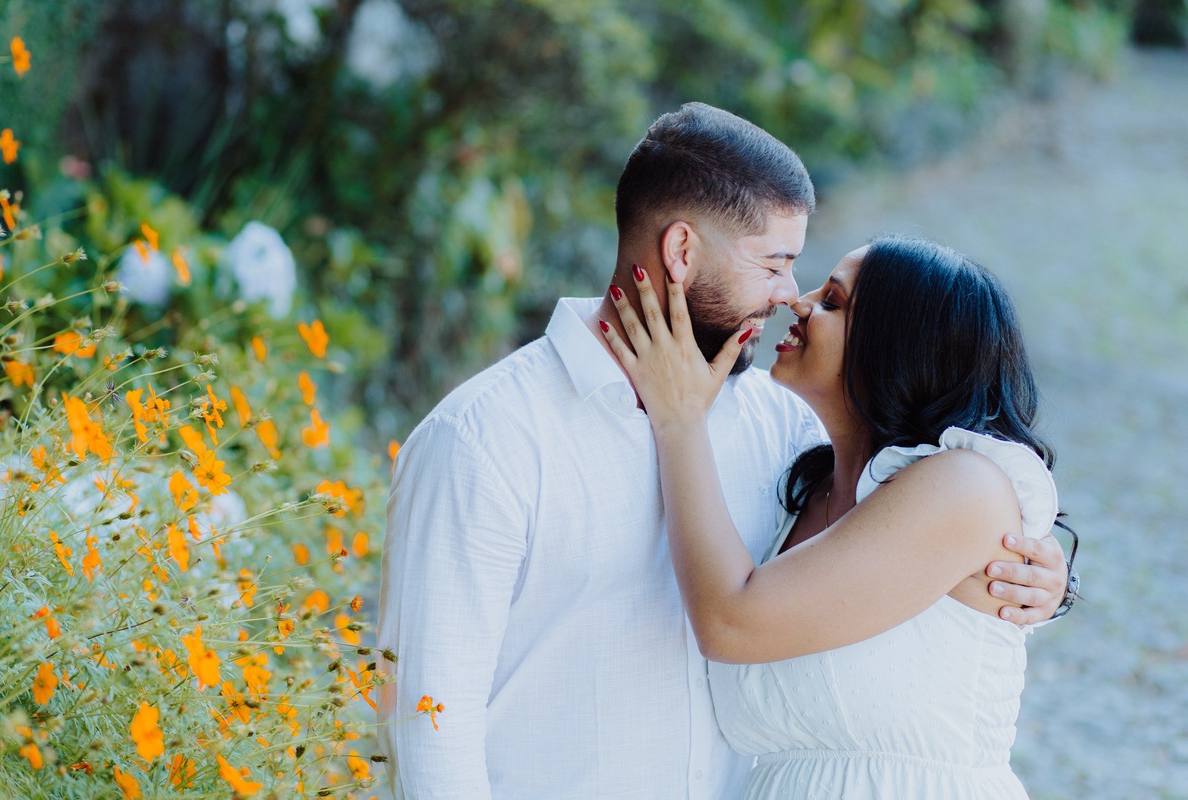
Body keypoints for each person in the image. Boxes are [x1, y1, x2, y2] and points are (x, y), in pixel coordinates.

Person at [376, 103, 1070, 799]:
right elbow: (427, 719)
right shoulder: (487, 438)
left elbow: (920, 537)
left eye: (818, 288)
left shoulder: (786, 435)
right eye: (776, 264)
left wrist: (1032, 568)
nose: (787, 297)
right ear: (683, 253)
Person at [600, 234, 1068, 798]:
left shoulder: (966, 484)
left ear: (896, 345)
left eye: (833, 302)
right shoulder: (798, 489)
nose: (799, 302)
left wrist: (679, 420)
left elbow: (729, 622)